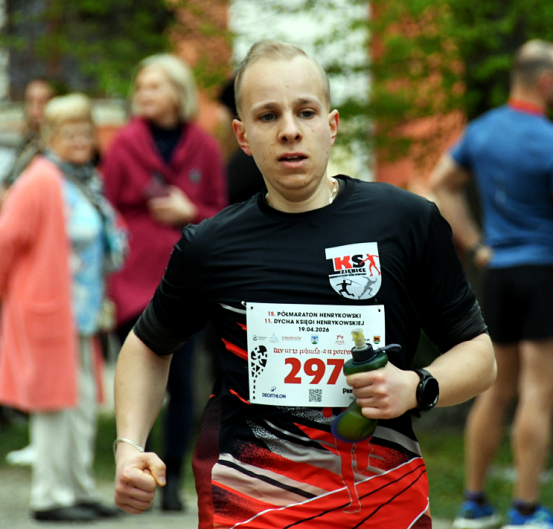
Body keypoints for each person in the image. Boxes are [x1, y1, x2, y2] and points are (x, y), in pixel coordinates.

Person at [113, 39, 496, 528]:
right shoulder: (210, 245)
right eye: (268, 116)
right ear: (244, 135)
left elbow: (480, 355)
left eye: (306, 112)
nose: (290, 131)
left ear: (331, 126)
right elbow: (147, 345)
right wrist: (129, 447)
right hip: (254, 505)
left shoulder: (406, 222)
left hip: (381, 502)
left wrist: (418, 385)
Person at [430, 40, 553, 529]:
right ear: (546, 81)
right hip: (548, 274)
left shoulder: (480, 132)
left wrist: (478, 245)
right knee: (538, 395)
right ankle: (525, 512)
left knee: (494, 390)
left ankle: (473, 505)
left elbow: (441, 183)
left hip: (499, 272)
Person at [0, 93, 126, 523]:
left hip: (81, 313)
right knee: (51, 405)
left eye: (85, 131)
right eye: (69, 133)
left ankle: (78, 488)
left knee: (82, 404)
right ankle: (49, 496)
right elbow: (4, 238)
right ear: (50, 136)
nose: (80, 140)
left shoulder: (82, 178)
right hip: (46, 310)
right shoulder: (41, 179)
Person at [101, 53, 227, 510]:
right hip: (132, 276)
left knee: (184, 384)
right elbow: (106, 210)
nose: (144, 95)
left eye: (154, 86)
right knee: (137, 376)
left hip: (185, 279)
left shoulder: (205, 145)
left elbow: (220, 211)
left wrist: (187, 212)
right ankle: (138, 470)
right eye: (141, 87)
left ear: (178, 92)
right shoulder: (122, 144)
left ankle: (174, 477)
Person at [0, 78, 54, 218]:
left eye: (41, 102)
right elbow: (10, 176)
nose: (35, 109)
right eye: (30, 102)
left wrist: (9, 195)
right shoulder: (27, 140)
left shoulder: (54, 147)